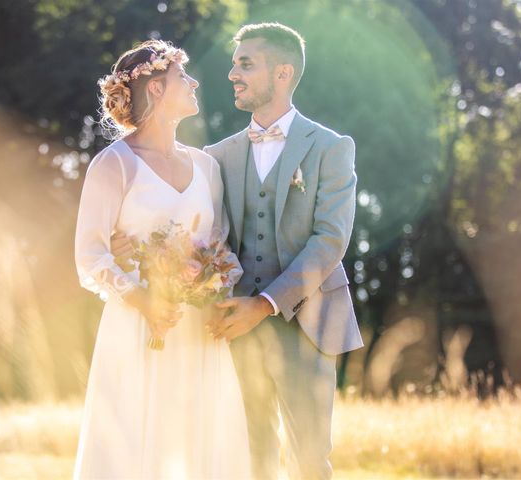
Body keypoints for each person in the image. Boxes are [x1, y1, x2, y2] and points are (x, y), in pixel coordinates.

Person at [112, 23, 364, 480]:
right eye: (234, 63)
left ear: (283, 72)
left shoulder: (331, 148)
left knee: (310, 460)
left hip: (309, 326)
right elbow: (190, 233)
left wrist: (265, 304)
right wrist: (129, 244)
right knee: (250, 459)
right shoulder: (215, 157)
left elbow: (330, 240)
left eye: (245, 64)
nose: (231, 74)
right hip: (230, 328)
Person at [73, 39, 251, 479]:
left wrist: (212, 283)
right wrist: (143, 299)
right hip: (138, 324)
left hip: (195, 328)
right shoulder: (113, 165)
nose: (193, 84)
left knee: (197, 441)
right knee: (135, 442)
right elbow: (90, 256)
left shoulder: (206, 168)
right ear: (155, 89)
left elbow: (219, 246)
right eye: (181, 78)